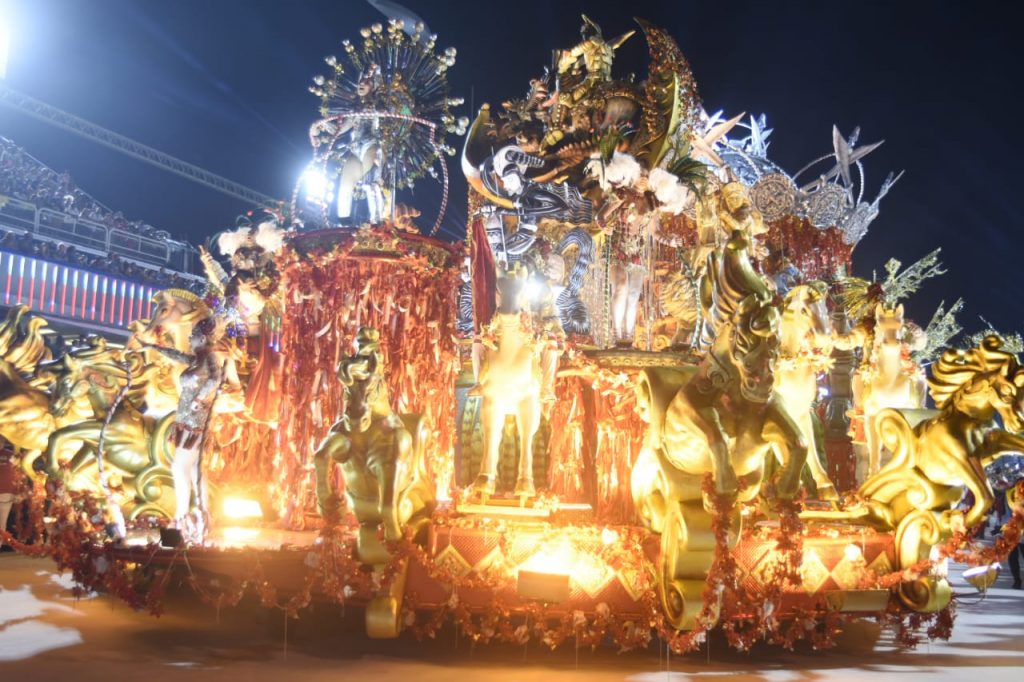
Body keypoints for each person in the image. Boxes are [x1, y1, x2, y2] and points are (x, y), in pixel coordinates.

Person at [142, 316, 225, 540]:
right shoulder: (197, 360)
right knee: (195, 469)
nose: (190, 340)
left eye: (193, 337)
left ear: (203, 338)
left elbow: (216, 379)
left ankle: (182, 517)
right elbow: (177, 356)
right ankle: (201, 516)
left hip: (195, 420)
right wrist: (154, 347)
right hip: (186, 419)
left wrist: (199, 398)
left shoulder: (210, 358)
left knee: (180, 467)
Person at [0, 441, 22, 545]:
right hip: (6, 493)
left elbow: (17, 473)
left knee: (2, 521)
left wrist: (17, 492)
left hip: (6, 493)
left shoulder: (10, 455)